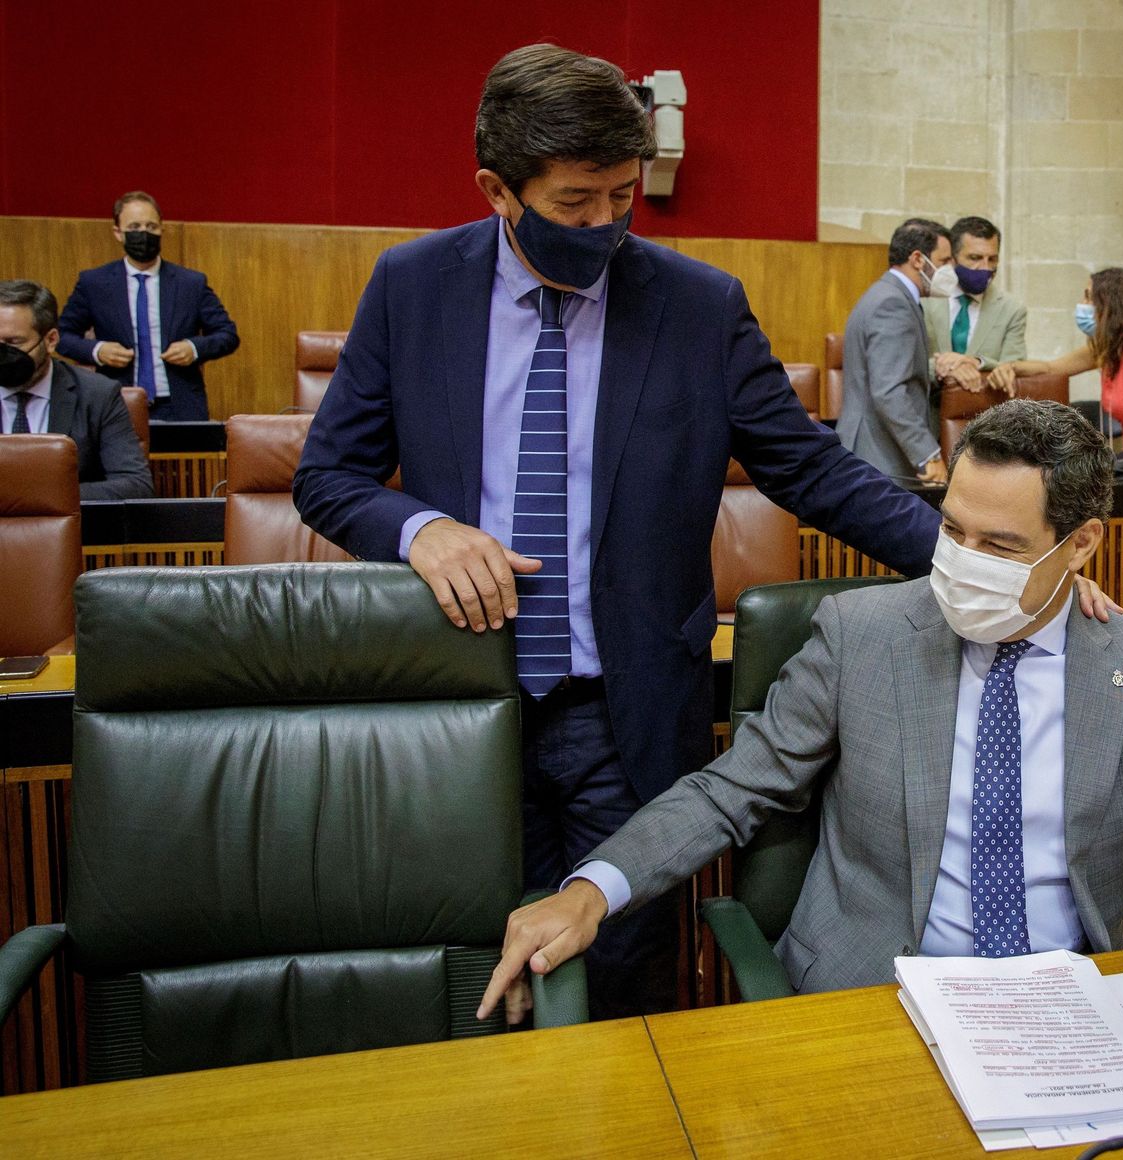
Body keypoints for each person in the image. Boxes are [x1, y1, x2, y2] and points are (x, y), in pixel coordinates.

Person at [292, 45, 955, 1021]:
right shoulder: (412, 287)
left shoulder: (697, 305)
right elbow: (326, 476)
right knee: (477, 981)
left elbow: (808, 470)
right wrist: (420, 527)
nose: (604, 222)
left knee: (621, 987)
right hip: (467, 702)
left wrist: (978, 562)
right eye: (574, 202)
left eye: (622, 194)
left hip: (632, 708)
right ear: (495, 189)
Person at [481, 399, 1123, 1085]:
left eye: (1001, 544)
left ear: (1082, 545)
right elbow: (731, 789)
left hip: (1068, 1009)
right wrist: (593, 890)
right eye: (953, 530)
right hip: (880, 997)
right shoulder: (859, 635)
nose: (963, 561)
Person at [57, 191, 240, 420]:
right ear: (118, 233)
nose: (144, 233)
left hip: (179, 405)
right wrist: (98, 350)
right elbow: (62, 336)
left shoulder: (190, 283)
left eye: (151, 226)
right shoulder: (94, 283)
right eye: (134, 227)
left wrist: (194, 348)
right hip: (116, 402)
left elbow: (228, 334)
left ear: (162, 229)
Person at [992, 267, 1123, 456]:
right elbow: (1051, 368)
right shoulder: (1109, 348)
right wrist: (1008, 367)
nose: (1082, 305)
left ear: (1110, 302)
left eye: (1088, 297)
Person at [0, 280, 153, 499]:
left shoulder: (98, 394)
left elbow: (136, 485)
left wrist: (45, 497)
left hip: (75, 529)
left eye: (13, 342)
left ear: (51, 340)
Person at [837, 218, 953, 486]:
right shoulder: (893, 304)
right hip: (878, 459)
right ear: (918, 259)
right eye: (945, 261)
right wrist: (929, 455)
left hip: (876, 455)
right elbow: (889, 391)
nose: (950, 270)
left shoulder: (887, 294)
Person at [922, 215, 1027, 395]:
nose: (985, 267)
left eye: (992, 259)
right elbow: (903, 363)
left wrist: (975, 362)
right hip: (927, 413)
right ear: (952, 258)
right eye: (974, 257)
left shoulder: (1012, 309)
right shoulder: (925, 300)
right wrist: (943, 367)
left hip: (982, 413)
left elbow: (1013, 367)